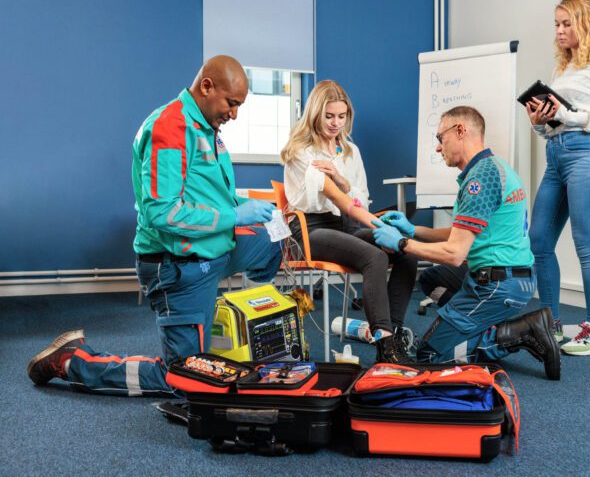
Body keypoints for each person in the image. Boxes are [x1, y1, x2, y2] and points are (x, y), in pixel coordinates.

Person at [27, 55, 282, 395]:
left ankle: (212, 311)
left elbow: (209, 194)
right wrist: (236, 216)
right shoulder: (170, 127)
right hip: (178, 266)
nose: (234, 114)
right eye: (231, 104)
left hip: (212, 252)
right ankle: (73, 361)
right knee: (186, 380)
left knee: (274, 240)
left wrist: (241, 205)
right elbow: (163, 214)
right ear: (206, 87)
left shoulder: (207, 128)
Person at [372, 106, 560, 380]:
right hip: (508, 275)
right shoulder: (492, 168)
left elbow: (454, 253)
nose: (439, 148)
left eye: (440, 138)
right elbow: (460, 234)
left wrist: (402, 243)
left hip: (498, 284)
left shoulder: (480, 180)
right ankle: (473, 328)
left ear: (460, 131)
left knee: (431, 356)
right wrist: (413, 229)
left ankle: (520, 332)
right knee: (432, 280)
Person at [280, 80, 417, 363]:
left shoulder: (351, 153)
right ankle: (385, 345)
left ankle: (395, 331)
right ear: (315, 114)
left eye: (341, 116)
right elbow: (314, 202)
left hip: (346, 224)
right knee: (374, 257)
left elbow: (361, 198)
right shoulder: (300, 151)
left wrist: (341, 180)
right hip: (310, 228)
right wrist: (340, 191)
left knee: (407, 253)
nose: (335, 123)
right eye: (329, 116)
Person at [524, 0, 590, 356]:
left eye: (566, 24)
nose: (560, 30)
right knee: (538, 242)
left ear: (585, 24)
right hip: (557, 156)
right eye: (557, 24)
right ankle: (550, 324)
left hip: (587, 156)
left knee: (588, 247)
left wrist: (571, 115)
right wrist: (540, 123)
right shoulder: (562, 68)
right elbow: (554, 126)